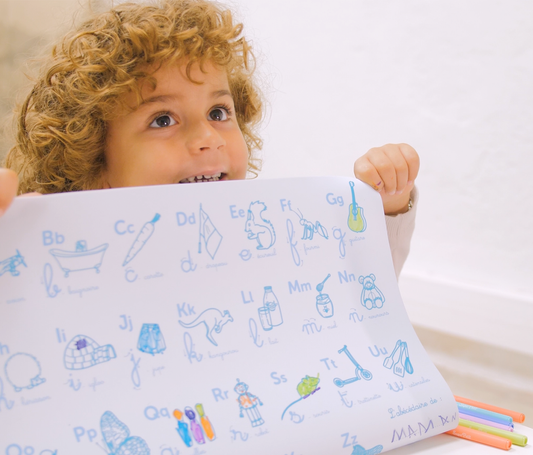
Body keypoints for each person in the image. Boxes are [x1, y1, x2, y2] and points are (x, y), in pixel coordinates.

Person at [0, 0, 418, 277]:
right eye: (163, 119)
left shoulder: (263, 241)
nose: (209, 138)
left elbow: (359, 294)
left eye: (219, 113)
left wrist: (387, 205)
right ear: (94, 165)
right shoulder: (73, 261)